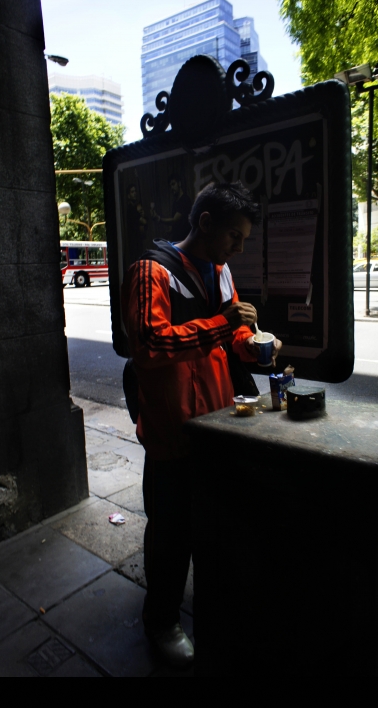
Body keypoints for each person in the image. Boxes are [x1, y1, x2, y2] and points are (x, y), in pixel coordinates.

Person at [121, 181, 282, 668]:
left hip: (216, 425)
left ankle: (209, 604)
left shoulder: (221, 271)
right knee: (170, 534)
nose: (238, 248)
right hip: (172, 434)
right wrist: (221, 322)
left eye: (243, 239)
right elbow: (149, 346)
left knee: (212, 526)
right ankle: (161, 619)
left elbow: (230, 336)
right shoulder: (151, 271)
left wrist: (253, 345)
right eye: (234, 236)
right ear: (206, 223)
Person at [150, 174, 192, 242]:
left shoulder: (185, 200)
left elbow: (175, 220)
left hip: (184, 241)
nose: (172, 188)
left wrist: (159, 218)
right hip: (177, 241)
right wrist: (170, 232)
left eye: (173, 184)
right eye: (170, 186)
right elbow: (176, 224)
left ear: (179, 183)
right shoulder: (175, 202)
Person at [126, 183, 147, 263]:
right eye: (132, 192)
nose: (134, 193)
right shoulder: (131, 209)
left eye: (135, 191)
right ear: (128, 195)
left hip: (138, 242)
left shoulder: (134, 208)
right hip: (135, 244)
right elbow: (144, 222)